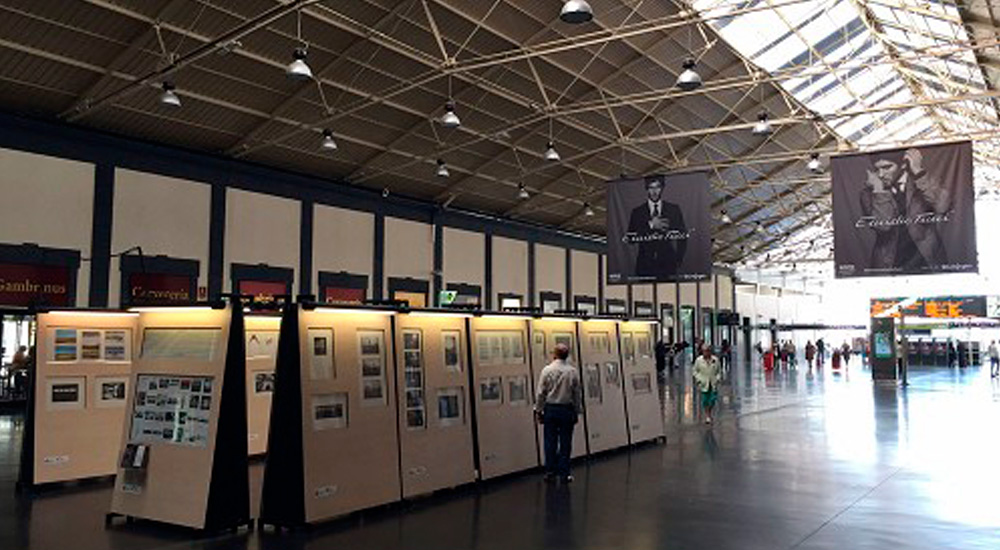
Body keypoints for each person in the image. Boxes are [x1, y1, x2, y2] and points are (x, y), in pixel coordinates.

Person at [859, 148, 950, 270]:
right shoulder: (869, 193)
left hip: (928, 260)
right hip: (888, 264)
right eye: (877, 169)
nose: (881, 174)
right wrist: (880, 190)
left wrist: (918, 172)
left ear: (903, 164)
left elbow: (943, 206)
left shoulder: (923, 182)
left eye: (887, 167)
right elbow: (883, 226)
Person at [535, 343, 582, 483]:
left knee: (550, 441)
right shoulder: (572, 371)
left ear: (554, 354)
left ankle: (550, 472)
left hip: (550, 409)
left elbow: (540, 393)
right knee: (566, 442)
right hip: (566, 409)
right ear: (567, 355)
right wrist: (577, 411)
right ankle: (564, 473)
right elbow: (576, 394)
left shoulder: (546, 370)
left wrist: (538, 410)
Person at [626, 176, 687, 277]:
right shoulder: (637, 212)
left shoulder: (673, 209)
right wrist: (650, 225)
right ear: (647, 189)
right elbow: (630, 238)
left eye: (657, 187)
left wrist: (679, 258)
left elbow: (683, 235)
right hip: (644, 264)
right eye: (651, 187)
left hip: (668, 262)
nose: (654, 191)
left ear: (662, 188)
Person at [692, 345, 721, 424]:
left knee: (712, 400)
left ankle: (709, 411)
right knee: (705, 400)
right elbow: (695, 371)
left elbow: (719, 371)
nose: (706, 353)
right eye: (704, 351)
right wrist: (699, 379)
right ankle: (708, 415)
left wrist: (717, 379)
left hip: (713, 382)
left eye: (707, 351)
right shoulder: (698, 360)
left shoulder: (715, 360)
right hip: (704, 383)